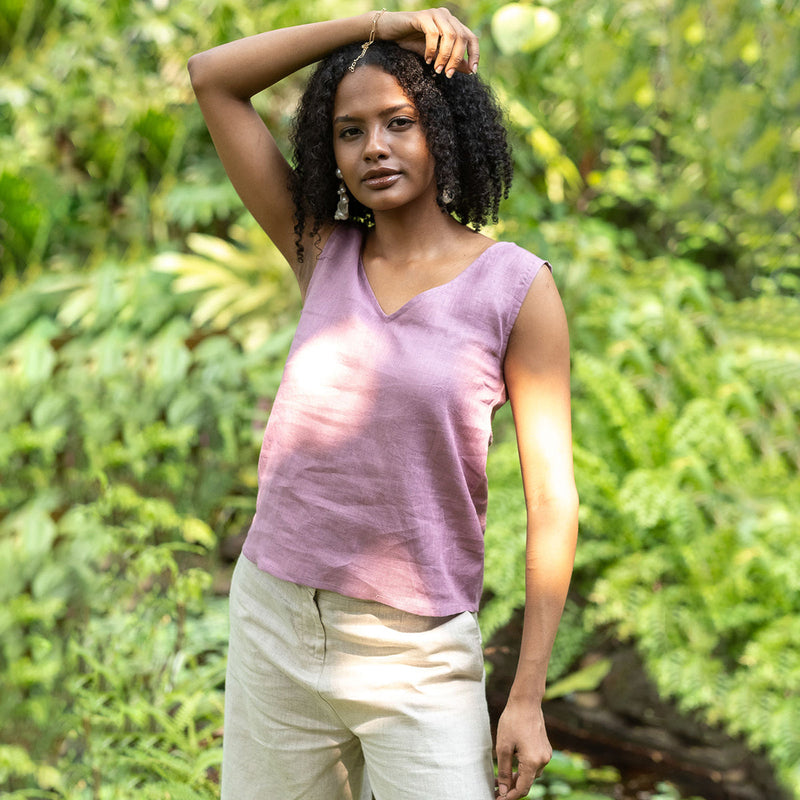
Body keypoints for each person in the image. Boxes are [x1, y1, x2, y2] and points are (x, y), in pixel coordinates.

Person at [188, 8, 578, 800]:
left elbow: (553, 502)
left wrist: (527, 695)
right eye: (349, 130)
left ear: (444, 128)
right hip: (276, 620)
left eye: (400, 122)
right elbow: (213, 80)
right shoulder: (320, 248)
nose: (374, 147)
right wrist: (373, 24)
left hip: (418, 656)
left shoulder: (515, 288)